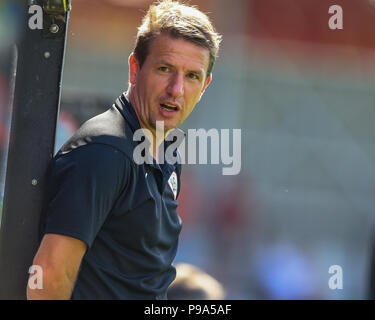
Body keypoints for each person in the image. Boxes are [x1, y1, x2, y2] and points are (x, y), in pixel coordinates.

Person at [27, 0, 221, 300]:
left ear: (205, 85)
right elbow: (49, 274)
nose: (176, 89)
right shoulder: (105, 151)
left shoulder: (165, 150)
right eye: (164, 68)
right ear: (135, 68)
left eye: (192, 76)